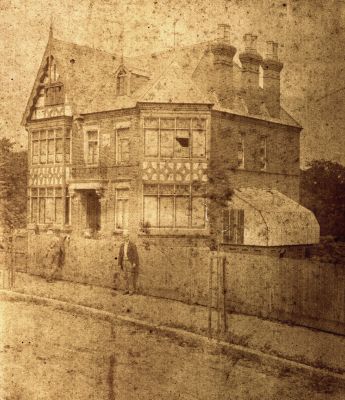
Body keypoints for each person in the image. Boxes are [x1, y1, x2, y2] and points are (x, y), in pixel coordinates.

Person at [118, 230, 139, 295]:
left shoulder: (132, 245)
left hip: (129, 262)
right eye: (124, 237)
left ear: (128, 237)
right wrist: (119, 263)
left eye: (126, 236)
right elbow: (120, 255)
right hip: (124, 262)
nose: (125, 238)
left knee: (130, 276)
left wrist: (134, 263)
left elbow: (135, 255)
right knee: (125, 276)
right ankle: (126, 290)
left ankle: (131, 290)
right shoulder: (122, 245)